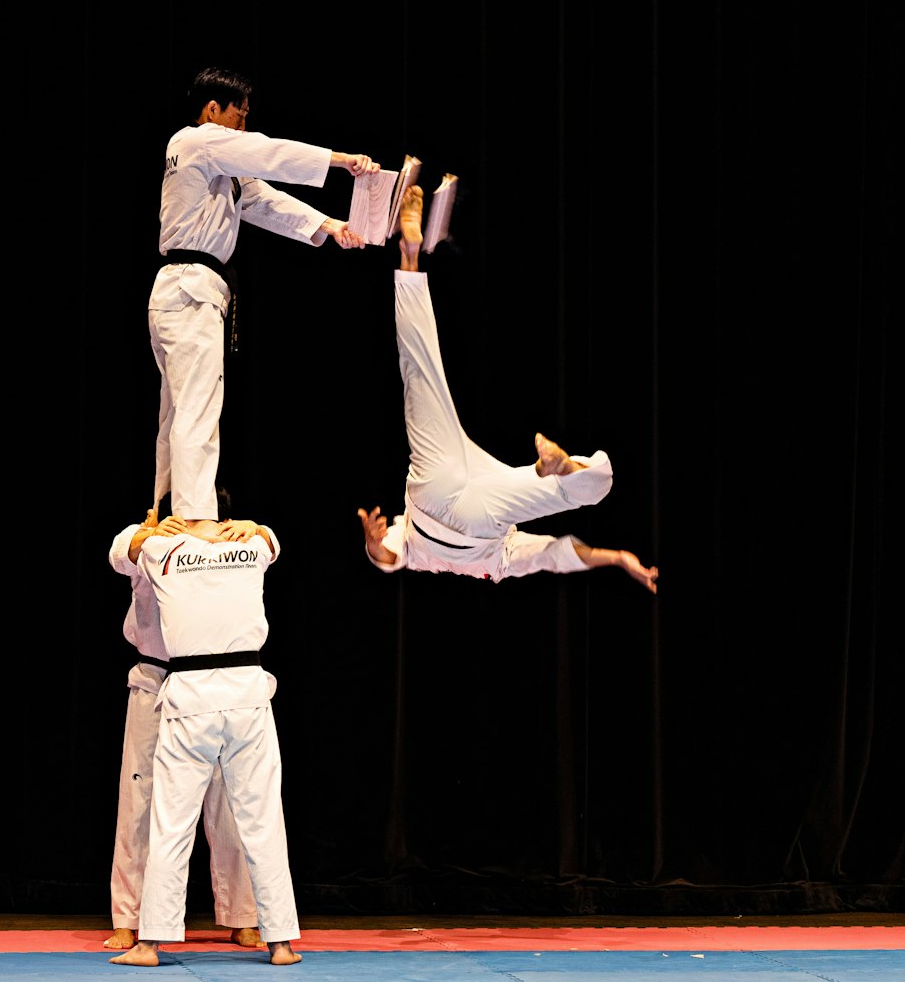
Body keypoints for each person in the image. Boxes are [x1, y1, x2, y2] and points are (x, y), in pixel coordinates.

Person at [357, 186, 658, 592]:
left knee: (576, 491)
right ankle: (408, 254)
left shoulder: (491, 564)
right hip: (444, 496)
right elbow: (555, 556)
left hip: (464, 509)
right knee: (419, 374)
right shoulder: (485, 560)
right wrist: (617, 558)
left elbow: (389, 556)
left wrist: (375, 546)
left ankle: (564, 472)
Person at [151, 65, 380, 521]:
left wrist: (332, 227)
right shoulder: (195, 140)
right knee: (196, 407)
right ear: (212, 109)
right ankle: (194, 519)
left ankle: (162, 510)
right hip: (189, 286)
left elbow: (263, 200)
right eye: (240, 114)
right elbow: (266, 152)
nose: (244, 124)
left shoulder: (217, 164)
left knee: (178, 411)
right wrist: (341, 160)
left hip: (186, 289)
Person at [109, 504, 300, 968]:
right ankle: (283, 944)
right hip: (242, 692)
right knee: (262, 818)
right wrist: (257, 528)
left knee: (173, 822)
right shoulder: (249, 545)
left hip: (191, 694)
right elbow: (273, 542)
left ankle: (151, 942)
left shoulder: (161, 548)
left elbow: (126, 549)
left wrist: (150, 533)